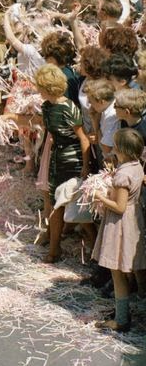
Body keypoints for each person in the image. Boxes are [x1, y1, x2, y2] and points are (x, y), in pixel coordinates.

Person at [90, 127, 146, 332]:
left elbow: (119, 206)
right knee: (132, 265)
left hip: (120, 224)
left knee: (117, 272)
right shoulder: (136, 166)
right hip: (134, 218)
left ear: (121, 150)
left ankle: (121, 319)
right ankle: (139, 297)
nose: (113, 148)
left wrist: (100, 197)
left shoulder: (123, 175)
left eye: (115, 145)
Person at [36, 64, 90, 264]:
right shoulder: (47, 107)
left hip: (72, 160)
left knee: (74, 207)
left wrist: (85, 166)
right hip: (56, 159)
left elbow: (83, 138)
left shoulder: (69, 108)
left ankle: (91, 254)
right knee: (55, 204)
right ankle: (54, 248)